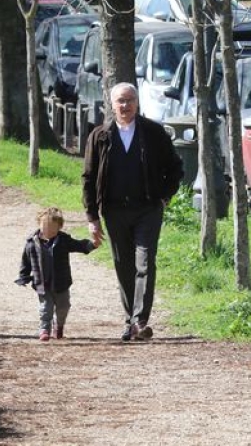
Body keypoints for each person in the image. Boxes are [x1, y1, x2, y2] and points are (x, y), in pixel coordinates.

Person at [82, 82, 184, 341]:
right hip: (114, 210)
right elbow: (88, 178)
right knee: (123, 264)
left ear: (137, 103)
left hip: (147, 209)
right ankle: (130, 318)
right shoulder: (100, 136)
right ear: (112, 104)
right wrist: (92, 217)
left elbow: (175, 167)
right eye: (120, 101)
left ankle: (140, 320)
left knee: (145, 261)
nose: (125, 106)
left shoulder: (152, 132)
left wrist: (164, 197)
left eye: (129, 100)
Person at [15, 207, 97, 341]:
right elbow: (26, 261)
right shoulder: (31, 242)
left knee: (63, 307)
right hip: (42, 283)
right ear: (39, 224)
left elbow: (78, 245)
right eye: (44, 227)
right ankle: (44, 330)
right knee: (45, 308)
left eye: (52, 229)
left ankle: (59, 326)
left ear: (59, 228)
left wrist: (91, 245)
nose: (47, 231)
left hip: (61, 283)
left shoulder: (63, 240)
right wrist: (23, 277)